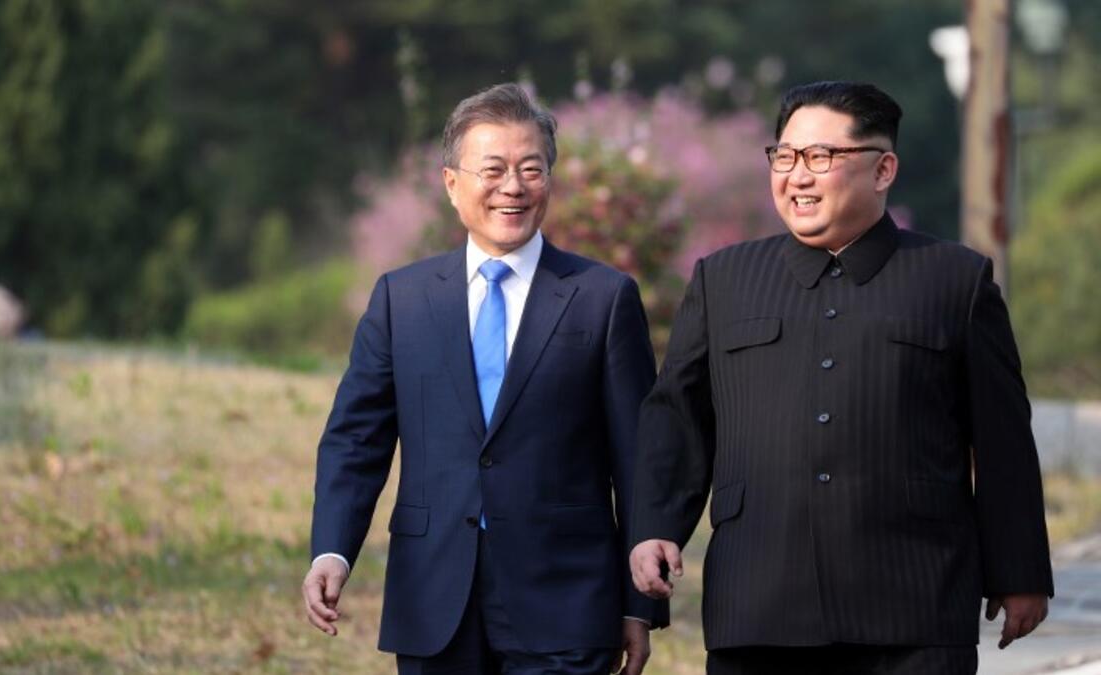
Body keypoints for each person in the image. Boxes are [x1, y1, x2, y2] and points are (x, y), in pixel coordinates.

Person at [629, 81, 1054, 675]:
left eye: (821, 158)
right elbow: (677, 421)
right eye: (785, 156)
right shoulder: (723, 280)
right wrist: (653, 530)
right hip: (760, 607)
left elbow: (1004, 440)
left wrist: (1020, 573)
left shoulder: (954, 280)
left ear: (883, 169)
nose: (798, 176)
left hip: (915, 607)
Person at [304, 82, 667, 675]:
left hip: (567, 605)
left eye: (532, 169)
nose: (513, 187)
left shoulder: (603, 298)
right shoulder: (404, 298)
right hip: (433, 601)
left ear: (551, 178)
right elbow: (356, 439)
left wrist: (638, 607)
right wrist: (332, 549)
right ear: (452, 184)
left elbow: (638, 460)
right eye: (493, 169)